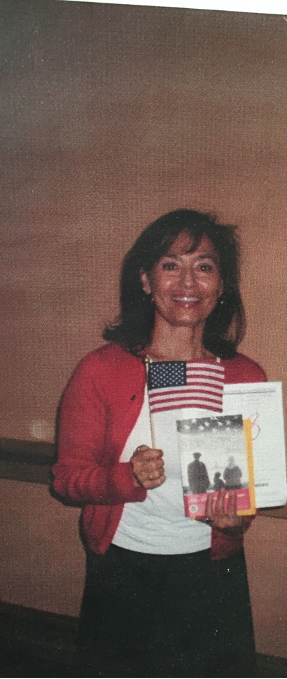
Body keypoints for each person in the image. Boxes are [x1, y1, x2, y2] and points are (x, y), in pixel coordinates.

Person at [52, 209, 267, 679]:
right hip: (123, 568)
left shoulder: (246, 376)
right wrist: (123, 477)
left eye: (204, 266)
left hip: (211, 572)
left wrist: (236, 522)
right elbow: (67, 480)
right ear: (146, 280)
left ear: (221, 284)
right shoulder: (101, 369)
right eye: (171, 264)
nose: (187, 280)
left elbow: (250, 489)